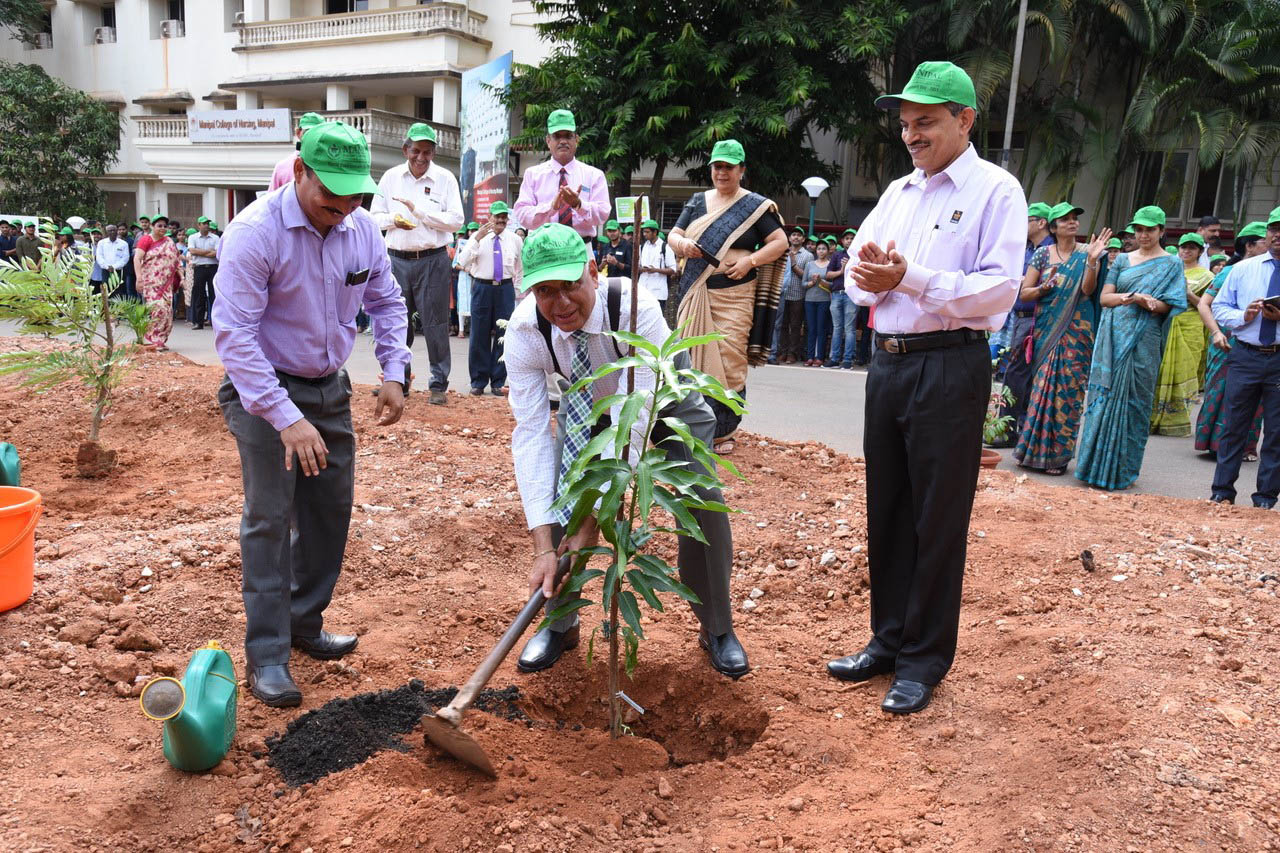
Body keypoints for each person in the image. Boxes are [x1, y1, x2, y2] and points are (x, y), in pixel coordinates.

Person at [827, 61, 1025, 715]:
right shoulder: (897, 193)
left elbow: (998, 288)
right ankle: (887, 641)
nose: (912, 135)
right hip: (887, 363)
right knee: (887, 509)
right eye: (907, 124)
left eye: (927, 122)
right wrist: (876, 278)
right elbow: (857, 272)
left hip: (949, 363)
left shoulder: (997, 192)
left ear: (964, 120)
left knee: (938, 516)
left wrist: (909, 279)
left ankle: (923, 658)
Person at [212, 120, 410, 707]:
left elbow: (386, 299)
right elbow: (234, 335)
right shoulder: (254, 233)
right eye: (330, 198)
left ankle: (304, 620)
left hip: (329, 389)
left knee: (329, 511)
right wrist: (283, 417)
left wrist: (394, 370)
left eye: (353, 198)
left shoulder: (360, 230)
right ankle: (268, 654)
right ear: (300, 171)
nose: (341, 211)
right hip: (262, 389)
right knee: (270, 519)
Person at [504, 223, 748, 677]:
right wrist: (544, 544)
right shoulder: (524, 332)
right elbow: (532, 434)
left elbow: (635, 420)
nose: (560, 304)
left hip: (662, 396)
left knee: (703, 499)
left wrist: (595, 518)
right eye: (544, 291)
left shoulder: (638, 306)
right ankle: (561, 624)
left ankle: (716, 626)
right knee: (562, 497)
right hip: (591, 403)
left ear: (593, 271)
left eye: (570, 286)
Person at [668, 139, 788, 454]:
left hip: (736, 296)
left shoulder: (754, 206)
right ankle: (694, 427)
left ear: (741, 170)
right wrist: (683, 246)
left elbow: (780, 242)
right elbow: (674, 234)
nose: (722, 173)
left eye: (728, 167)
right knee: (691, 361)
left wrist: (751, 260)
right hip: (697, 292)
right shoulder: (697, 201)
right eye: (717, 166)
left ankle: (723, 432)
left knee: (729, 363)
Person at [1074, 206, 1186, 490]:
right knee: (1104, 400)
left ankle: (1123, 471)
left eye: (1149, 229)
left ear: (1161, 231)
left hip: (1144, 340)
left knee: (1135, 402)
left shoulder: (1172, 264)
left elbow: (1166, 306)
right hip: (1113, 337)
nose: (1143, 234)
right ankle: (1092, 469)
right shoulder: (1123, 259)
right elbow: (1104, 298)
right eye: (1139, 229)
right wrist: (1132, 298)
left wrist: (1144, 302)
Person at [1012, 204, 1111, 474]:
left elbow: (1088, 290)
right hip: (1047, 329)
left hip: (1077, 330)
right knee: (1041, 389)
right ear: (1052, 227)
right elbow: (1025, 293)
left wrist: (1092, 260)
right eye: (1064, 220)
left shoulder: (1087, 252)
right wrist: (1045, 287)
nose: (1072, 223)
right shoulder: (1043, 255)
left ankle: (1057, 458)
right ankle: (1030, 451)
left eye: (1074, 219)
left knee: (1068, 390)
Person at [370, 122, 464, 406]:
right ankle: (398, 381)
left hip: (433, 259)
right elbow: (374, 217)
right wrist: (393, 220)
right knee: (396, 322)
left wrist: (421, 214)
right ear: (405, 150)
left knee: (436, 323)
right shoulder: (389, 178)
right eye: (416, 151)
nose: (421, 157)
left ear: (433, 152)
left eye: (427, 151)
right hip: (397, 260)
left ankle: (438, 384)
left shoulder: (445, 179)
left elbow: (457, 220)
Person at [1208, 206, 1280, 509]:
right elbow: (1218, 308)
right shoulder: (1244, 269)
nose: (1279, 235)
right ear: (1267, 233)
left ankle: (1265, 498)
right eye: (1275, 229)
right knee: (1234, 426)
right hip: (1246, 355)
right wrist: (1244, 315)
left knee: (1276, 433)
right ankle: (1222, 491)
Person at [1196, 221, 1268, 459]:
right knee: (1222, 392)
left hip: (1259, 344)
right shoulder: (1230, 271)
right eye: (1264, 241)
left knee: (1254, 397)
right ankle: (1214, 443)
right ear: (1249, 245)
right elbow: (1205, 305)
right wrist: (1216, 332)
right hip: (1226, 341)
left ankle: (1246, 446)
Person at [987, 201, 1056, 445]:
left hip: (1036, 319)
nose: (1023, 224)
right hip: (1020, 317)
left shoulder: (1050, 251)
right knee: (1017, 374)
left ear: (1042, 223)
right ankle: (1015, 429)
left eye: (1028, 220)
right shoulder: (1027, 249)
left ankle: (1007, 430)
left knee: (1018, 374)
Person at [454, 200, 522, 396]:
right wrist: (477, 239)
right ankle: (478, 380)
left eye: (503, 216)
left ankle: (498, 381)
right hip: (482, 287)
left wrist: (516, 290)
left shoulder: (515, 239)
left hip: (505, 288)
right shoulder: (478, 236)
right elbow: (462, 261)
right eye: (497, 216)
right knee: (479, 335)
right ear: (489, 217)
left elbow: (521, 267)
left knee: (504, 336)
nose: (500, 220)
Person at [1150, 232, 1214, 435]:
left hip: (1191, 325)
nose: (1186, 251)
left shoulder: (1207, 276)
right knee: (1160, 369)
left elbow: (1208, 306)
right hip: (1167, 323)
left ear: (1200, 252)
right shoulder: (1169, 269)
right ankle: (1154, 417)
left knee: (1186, 370)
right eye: (1183, 247)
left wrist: (1187, 293)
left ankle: (1177, 419)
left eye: (1192, 248)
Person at [512, 109, 610, 241]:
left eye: (568, 136)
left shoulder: (593, 175)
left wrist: (579, 204)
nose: (563, 141)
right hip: (544, 251)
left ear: (576, 139)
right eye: (557, 136)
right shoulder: (533, 174)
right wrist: (551, 208)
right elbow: (522, 215)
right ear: (548, 141)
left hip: (581, 250)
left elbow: (603, 214)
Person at [133, 216, 180, 351]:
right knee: (157, 310)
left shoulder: (169, 241)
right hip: (151, 282)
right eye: (159, 226)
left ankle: (160, 339)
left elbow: (175, 261)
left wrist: (181, 277)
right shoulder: (146, 240)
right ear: (153, 226)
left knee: (167, 312)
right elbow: (137, 259)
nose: (163, 229)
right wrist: (139, 278)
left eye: (165, 226)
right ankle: (152, 340)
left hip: (166, 284)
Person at [767, 226, 807, 364]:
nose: (795, 237)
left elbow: (793, 276)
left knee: (791, 325)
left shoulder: (804, 255)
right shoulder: (768, 252)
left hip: (791, 294)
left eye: (798, 235)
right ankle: (778, 352)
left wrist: (778, 289)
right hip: (772, 293)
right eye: (793, 235)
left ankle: (786, 353)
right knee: (778, 325)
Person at [269, 112, 324, 191]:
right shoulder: (282, 167)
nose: (312, 137)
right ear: (298, 133)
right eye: (308, 132)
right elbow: (271, 199)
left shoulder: (331, 166)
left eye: (317, 133)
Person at [802, 239, 833, 365]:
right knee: (811, 328)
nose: (821, 251)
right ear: (816, 250)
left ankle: (820, 357)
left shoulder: (830, 264)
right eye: (819, 248)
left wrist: (821, 281)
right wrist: (812, 283)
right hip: (809, 300)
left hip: (824, 300)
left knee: (821, 329)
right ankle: (810, 356)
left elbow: (832, 285)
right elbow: (803, 283)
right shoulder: (809, 264)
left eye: (824, 249)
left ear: (828, 251)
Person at [188, 216, 220, 329]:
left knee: (214, 294)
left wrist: (200, 252)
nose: (206, 225)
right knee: (199, 295)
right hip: (199, 267)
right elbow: (192, 250)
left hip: (213, 267)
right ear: (199, 225)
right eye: (204, 223)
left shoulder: (215, 238)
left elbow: (216, 253)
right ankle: (198, 322)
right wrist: (208, 252)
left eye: (207, 223)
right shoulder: (193, 237)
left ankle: (215, 321)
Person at [637, 218, 676, 310]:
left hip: (658, 293)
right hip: (642, 291)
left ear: (655, 232)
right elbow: (636, 267)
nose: (644, 234)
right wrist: (641, 269)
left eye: (647, 232)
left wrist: (655, 270)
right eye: (644, 232)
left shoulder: (665, 248)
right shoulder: (642, 247)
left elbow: (672, 269)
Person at [95, 224, 130, 295]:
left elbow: (125, 258)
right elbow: (99, 257)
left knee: (120, 292)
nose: (112, 232)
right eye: (110, 231)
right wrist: (107, 267)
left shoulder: (123, 244)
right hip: (106, 271)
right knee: (106, 292)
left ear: (117, 231)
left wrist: (114, 267)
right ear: (107, 232)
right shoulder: (102, 243)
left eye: (114, 230)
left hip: (119, 271)